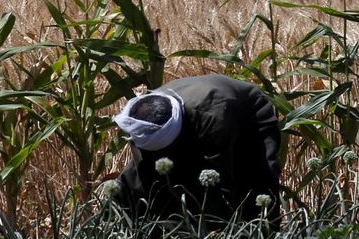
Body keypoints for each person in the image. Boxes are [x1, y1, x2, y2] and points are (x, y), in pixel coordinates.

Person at [112, 74, 281, 228]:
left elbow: (219, 183)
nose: (159, 156)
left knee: (256, 185)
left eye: (163, 150)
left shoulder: (212, 117)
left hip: (247, 115)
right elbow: (140, 178)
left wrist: (212, 233)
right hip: (197, 116)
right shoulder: (138, 124)